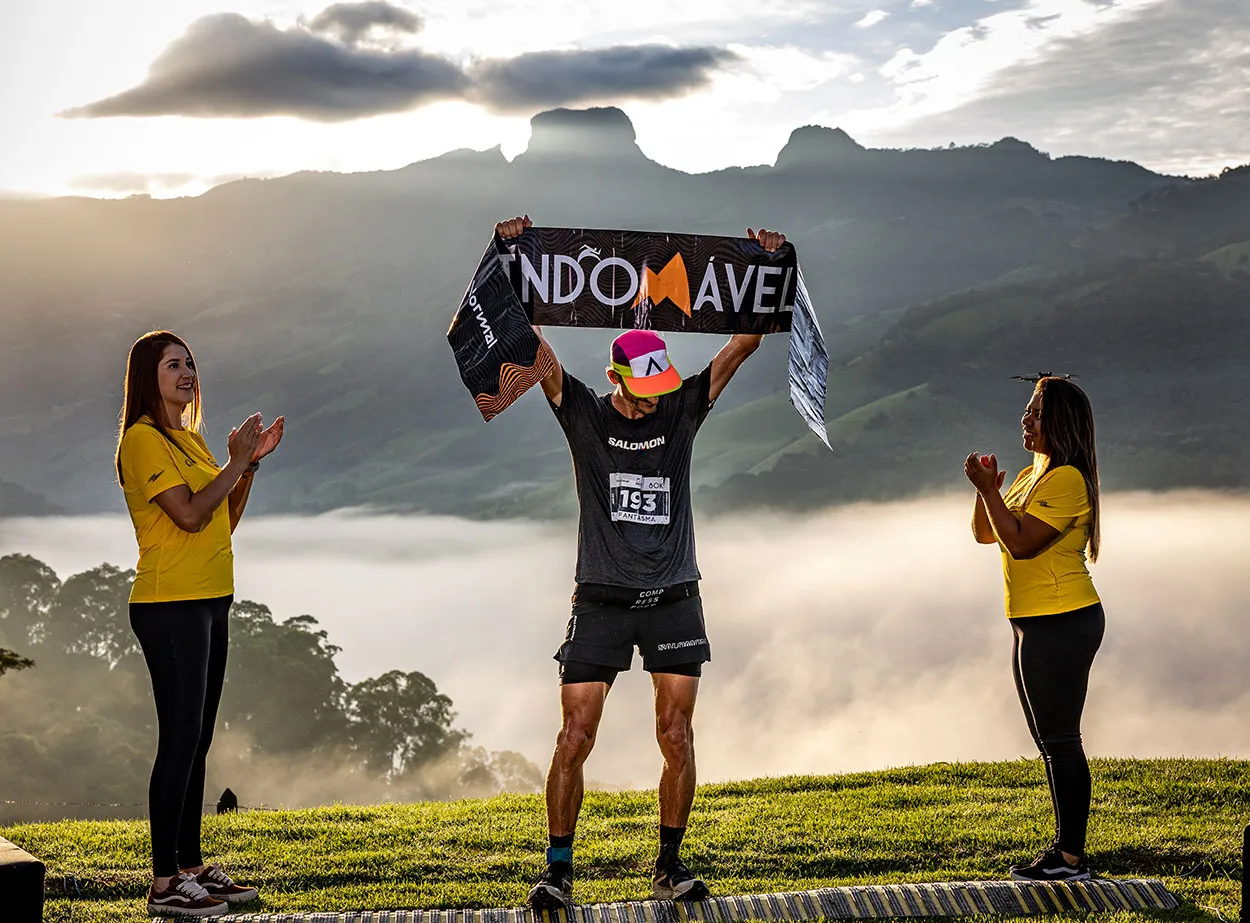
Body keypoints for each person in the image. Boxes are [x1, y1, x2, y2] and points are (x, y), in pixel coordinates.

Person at [491, 216, 782, 909]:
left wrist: (766, 267)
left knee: (676, 733)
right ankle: (558, 870)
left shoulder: (680, 410)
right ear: (618, 377)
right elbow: (535, 348)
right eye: (640, 386)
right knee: (575, 734)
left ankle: (669, 864)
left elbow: (744, 342)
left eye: (659, 385)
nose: (651, 398)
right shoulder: (587, 414)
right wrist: (513, 253)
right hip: (600, 600)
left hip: (676, 597)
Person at [115, 330, 284, 917]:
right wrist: (235, 461)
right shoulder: (142, 442)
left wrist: (248, 468)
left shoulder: (188, 439)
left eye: (190, 364)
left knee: (199, 740)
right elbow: (187, 515)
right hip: (169, 604)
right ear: (148, 376)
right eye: (172, 365)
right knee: (180, 739)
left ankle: (189, 868)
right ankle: (164, 885)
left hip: (211, 598)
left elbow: (220, 521)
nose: (186, 373)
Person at [964, 376, 1104, 882]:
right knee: (1049, 740)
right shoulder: (1031, 474)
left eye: (1037, 413)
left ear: (1060, 424)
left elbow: (1022, 544)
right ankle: (1064, 851)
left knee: (1061, 739)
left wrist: (989, 493)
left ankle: (1071, 858)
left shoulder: (1067, 479)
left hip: (1063, 619)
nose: (1026, 419)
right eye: (1027, 410)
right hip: (1031, 620)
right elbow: (988, 534)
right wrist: (989, 493)